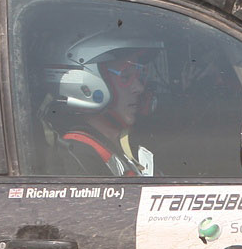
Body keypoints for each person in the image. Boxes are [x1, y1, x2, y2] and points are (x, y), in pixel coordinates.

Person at [40, 26, 165, 176]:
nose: (139, 88)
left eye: (139, 76)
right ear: (88, 85)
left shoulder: (130, 144)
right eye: (125, 77)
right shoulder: (77, 154)